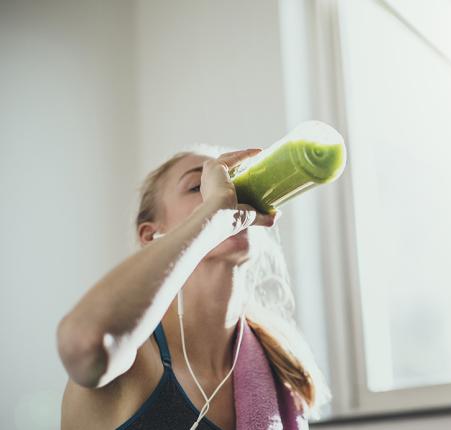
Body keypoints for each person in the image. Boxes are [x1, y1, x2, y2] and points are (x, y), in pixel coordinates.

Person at [56, 146, 329, 429]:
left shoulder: (279, 372)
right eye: (198, 186)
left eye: (232, 182)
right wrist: (212, 218)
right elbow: (83, 342)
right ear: (151, 235)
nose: (228, 195)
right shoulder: (134, 359)